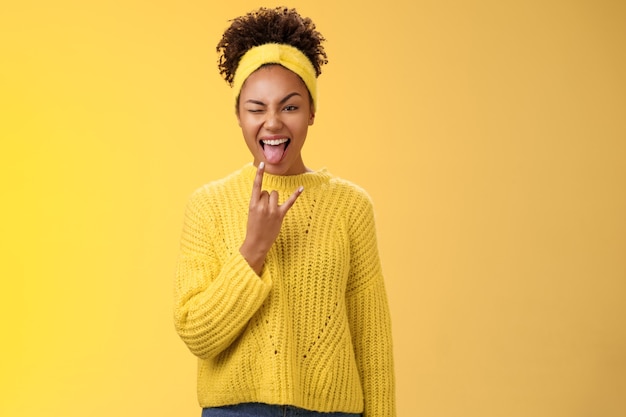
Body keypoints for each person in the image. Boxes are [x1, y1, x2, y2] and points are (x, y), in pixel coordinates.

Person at [173, 6, 396, 417]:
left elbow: (372, 339)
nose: (272, 123)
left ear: (311, 112)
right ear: (239, 116)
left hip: (332, 412)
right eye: (256, 108)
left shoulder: (351, 206)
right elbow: (196, 334)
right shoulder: (208, 204)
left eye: (289, 107)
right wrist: (253, 249)